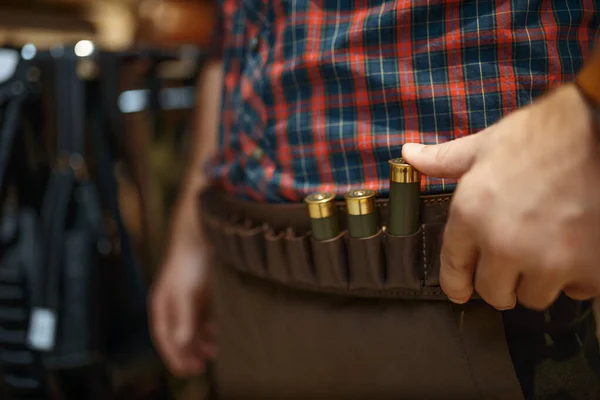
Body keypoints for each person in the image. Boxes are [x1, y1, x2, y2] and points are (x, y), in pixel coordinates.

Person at [150, 1, 600, 398]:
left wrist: (583, 118)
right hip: (244, 277)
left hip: (462, 277)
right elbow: (232, 30)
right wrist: (194, 220)